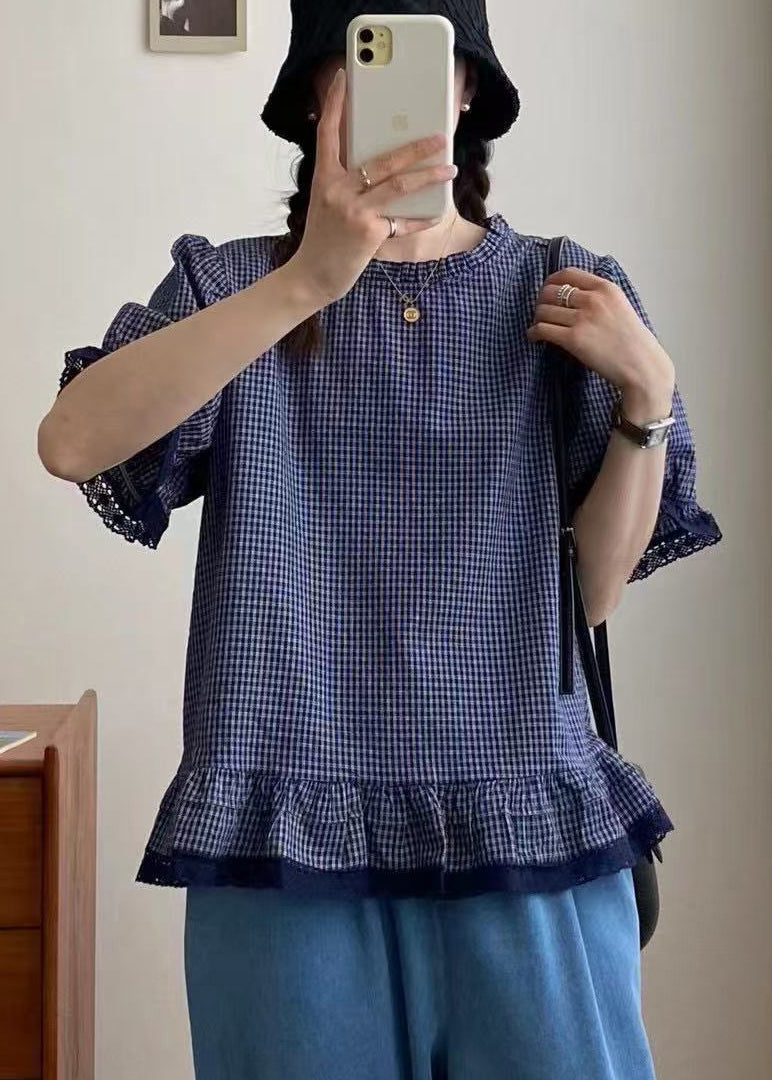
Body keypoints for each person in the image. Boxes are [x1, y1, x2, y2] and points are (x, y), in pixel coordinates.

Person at [38, 2, 722, 1077]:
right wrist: (308, 281)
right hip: (285, 835)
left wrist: (648, 398)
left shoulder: (561, 291)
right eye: (354, 61)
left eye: (425, 60)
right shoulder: (235, 290)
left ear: (465, 90)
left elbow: (586, 599)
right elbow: (73, 442)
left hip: (524, 823)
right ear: (315, 100)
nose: (390, 91)